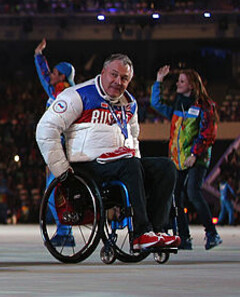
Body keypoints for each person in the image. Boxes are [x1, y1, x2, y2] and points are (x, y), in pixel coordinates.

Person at [36, 53, 180, 251]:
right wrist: (61, 169)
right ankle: (140, 233)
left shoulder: (130, 103)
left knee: (166, 167)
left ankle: (157, 230)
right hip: (87, 166)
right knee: (131, 165)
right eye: (114, 75)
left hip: (121, 163)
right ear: (103, 72)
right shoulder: (77, 95)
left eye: (124, 78)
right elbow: (45, 129)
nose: (118, 82)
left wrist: (139, 169)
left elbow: (133, 139)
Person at [151, 65, 220, 250]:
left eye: (182, 81)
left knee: (193, 192)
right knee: (175, 196)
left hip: (197, 158)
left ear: (192, 85)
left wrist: (194, 154)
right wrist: (158, 81)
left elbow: (208, 134)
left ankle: (212, 234)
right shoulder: (178, 104)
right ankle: (184, 237)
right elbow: (156, 104)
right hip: (179, 159)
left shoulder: (205, 106)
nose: (178, 84)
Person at [34, 38, 76, 247]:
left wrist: (38, 57)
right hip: (60, 147)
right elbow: (44, 77)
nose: (50, 76)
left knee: (54, 192)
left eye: (54, 73)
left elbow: (44, 78)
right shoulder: (63, 92)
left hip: (60, 148)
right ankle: (65, 230)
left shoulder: (62, 93)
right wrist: (39, 56)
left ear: (62, 76)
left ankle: (65, 230)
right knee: (57, 191)